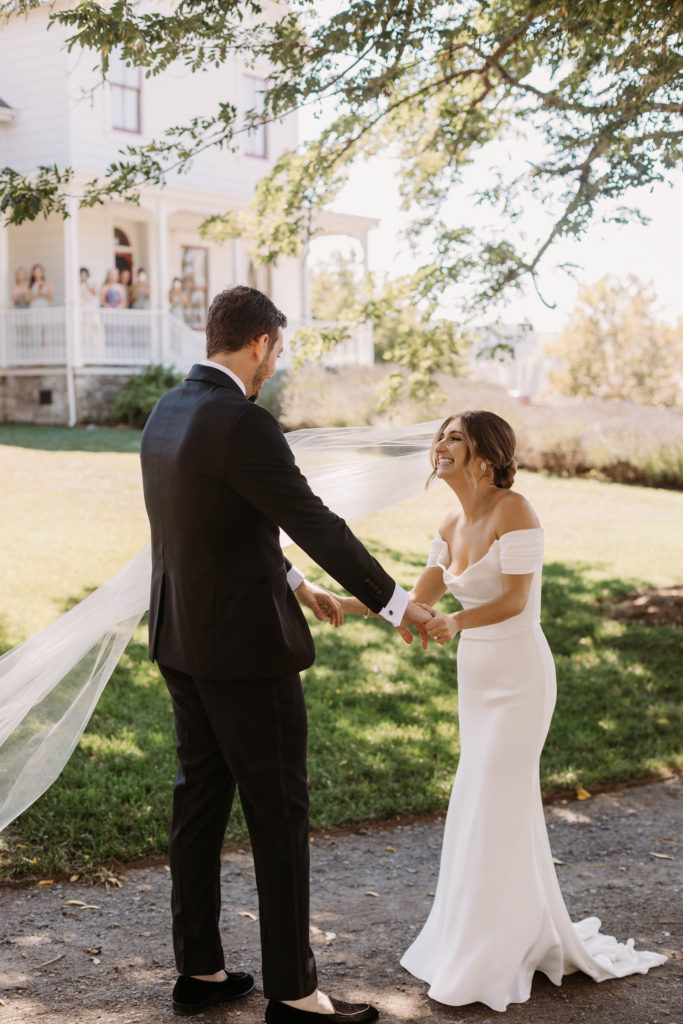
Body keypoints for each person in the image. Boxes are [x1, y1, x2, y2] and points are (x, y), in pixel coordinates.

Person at [139, 285, 431, 1022]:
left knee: (198, 804)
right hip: (245, 653)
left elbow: (216, 524)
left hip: (181, 639)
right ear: (261, 344)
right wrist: (397, 604)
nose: (276, 363)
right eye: (278, 350)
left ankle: (199, 971)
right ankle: (296, 995)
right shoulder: (244, 422)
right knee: (278, 813)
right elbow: (317, 523)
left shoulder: (166, 412)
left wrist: (296, 585)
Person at [334, 410, 666, 1011]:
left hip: (519, 677)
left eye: (455, 437)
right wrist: (343, 604)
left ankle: (497, 949)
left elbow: (514, 599)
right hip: (476, 679)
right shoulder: (449, 520)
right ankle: (488, 937)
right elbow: (415, 601)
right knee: (478, 799)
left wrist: (454, 621)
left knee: (494, 797)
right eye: (443, 434)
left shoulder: (516, 510)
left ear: (485, 455)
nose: (441, 444)